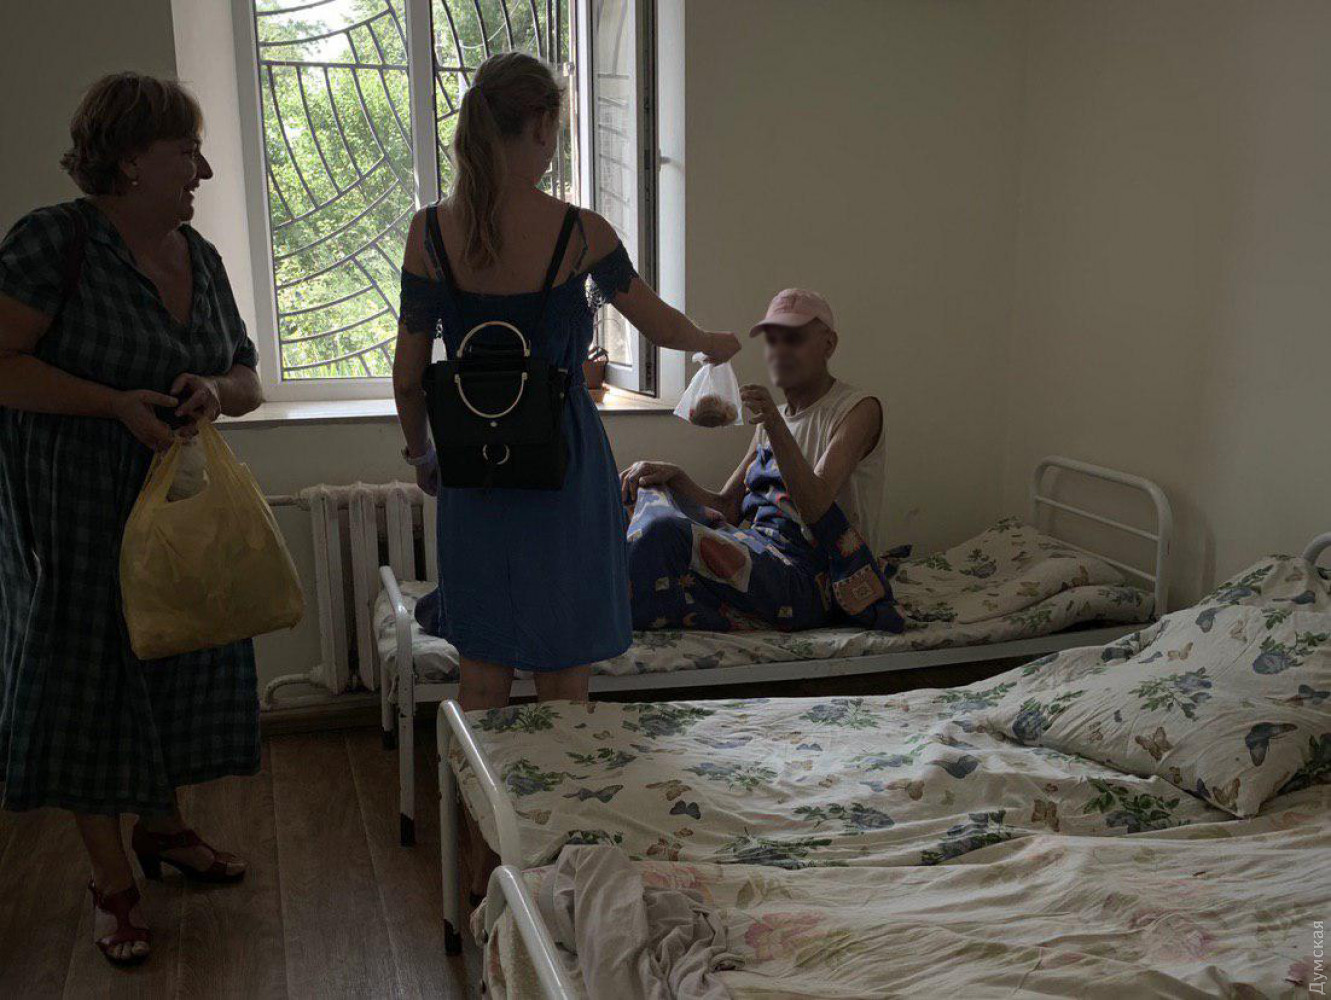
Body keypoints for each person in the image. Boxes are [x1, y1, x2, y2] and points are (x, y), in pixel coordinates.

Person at [0, 73, 264, 966]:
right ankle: (111, 882)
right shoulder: (54, 241)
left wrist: (213, 391)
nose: (204, 171)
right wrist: (113, 403)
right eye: (187, 152)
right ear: (127, 161)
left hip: (181, 504)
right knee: (92, 676)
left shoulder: (201, 256)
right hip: (76, 507)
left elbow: (246, 377)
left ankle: (164, 828)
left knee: (177, 657)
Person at [392, 52, 739, 716]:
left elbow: (408, 380)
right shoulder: (581, 232)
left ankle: (477, 789)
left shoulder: (429, 232)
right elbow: (657, 322)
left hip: (474, 464)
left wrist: (423, 456)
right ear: (541, 126)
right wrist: (708, 342)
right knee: (563, 675)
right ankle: (561, 787)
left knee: (481, 674)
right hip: (563, 460)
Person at [622, 288, 900, 632]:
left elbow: (815, 509)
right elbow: (728, 508)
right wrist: (675, 477)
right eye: (772, 340)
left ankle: (619, 615)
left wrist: (775, 425)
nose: (779, 351)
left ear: (828, 344)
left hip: (814, 580)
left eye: (793, 338)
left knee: (665, 533)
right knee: (641, 491)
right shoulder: (774, 419)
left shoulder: (858, 410)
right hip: (761, 551)